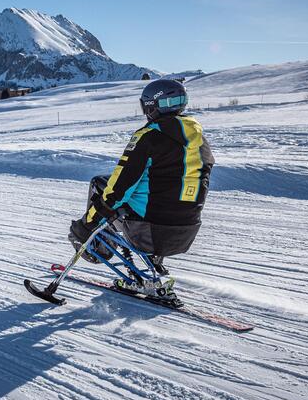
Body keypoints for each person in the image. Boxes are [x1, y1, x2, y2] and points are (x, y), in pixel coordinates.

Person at [68, 79, 214, 277]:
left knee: (100, 184)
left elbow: (120, 186)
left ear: (151, 106)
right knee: (168, 187)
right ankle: (154, 262)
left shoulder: (148, 137)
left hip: (150, 231)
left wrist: (88, 222)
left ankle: (97, 246)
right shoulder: (200, 141)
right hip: (187, 230)